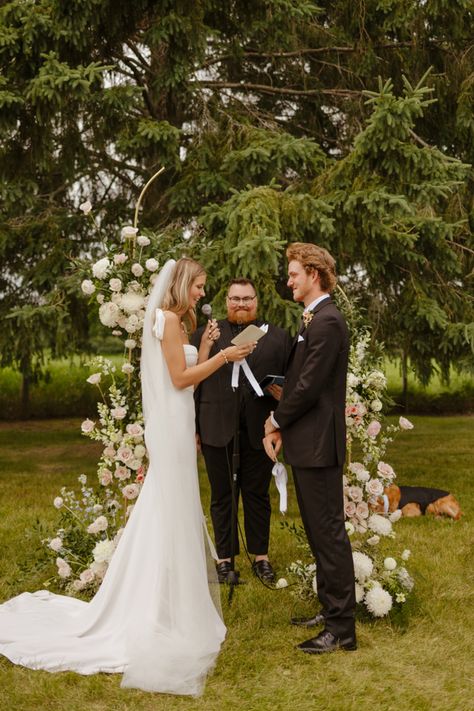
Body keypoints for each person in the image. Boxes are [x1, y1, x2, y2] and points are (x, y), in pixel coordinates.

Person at [0, 257, 255, 695]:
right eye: (198, 286)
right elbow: (178, 379)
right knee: (169, 504)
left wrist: (210, 349)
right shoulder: (170, 320)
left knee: (169, 506)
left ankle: (161, 595)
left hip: (177, 420)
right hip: (173, 424)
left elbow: (187, 383)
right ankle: (154, 604)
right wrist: (226, 356)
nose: (201, 294)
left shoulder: (174, 320)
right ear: (181, 283)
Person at [263, 242, 357, 655]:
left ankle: (342, 630)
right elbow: (299, 380)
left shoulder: (328, 321)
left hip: (319, 445)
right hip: (308, 444)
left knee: (330, 535)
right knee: (320, 536)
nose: (289, 280)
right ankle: (330, 610)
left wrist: (276, 419)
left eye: (294, 273)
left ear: (314, 275)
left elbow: (307, 386)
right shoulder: (313, 320)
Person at [192, 278, 292, 584]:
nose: (241, 304)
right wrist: (195, 427)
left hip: (260, 429)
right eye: (235, 299)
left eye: (247, 299)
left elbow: (294, 382)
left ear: (257, 302)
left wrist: (282, 406)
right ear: (227, 301)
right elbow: (192, 384)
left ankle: (260, 557)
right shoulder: (207, 334)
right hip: (215, 425)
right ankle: (225, 559)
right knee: (222, 495)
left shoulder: (277, 337)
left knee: (257, 494)